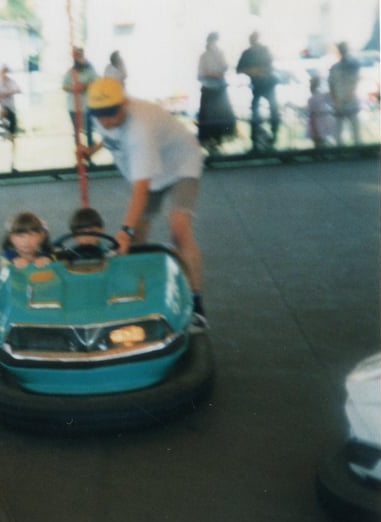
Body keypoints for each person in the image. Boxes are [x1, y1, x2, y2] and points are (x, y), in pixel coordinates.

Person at [78, 77, 207, 324]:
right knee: (136, 237)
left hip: (181, 163)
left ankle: (196, 302)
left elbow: (141, 188)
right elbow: (109, 135)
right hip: (149, 168)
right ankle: (133, 296)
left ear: (124, 104)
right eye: (100, 114)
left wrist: (124, 230)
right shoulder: (103, 113)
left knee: (178, 227)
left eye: (111, 113)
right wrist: (91, 151)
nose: (105, 119)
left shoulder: (140, 128)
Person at [236, 32, 280, 151]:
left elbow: (270, 65)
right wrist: (252, 71)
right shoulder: (247, 53)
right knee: (256, 111)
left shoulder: (264, 51)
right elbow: (239, 69)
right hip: (257, 85)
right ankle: (256, 140)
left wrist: (259, 70)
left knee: (273, 111)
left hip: (267, 83)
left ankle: (273, 137)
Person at [197, 32, 236, 153]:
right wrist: (211, 74)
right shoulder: (203, 56)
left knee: (220, 115)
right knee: (209, 116)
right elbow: (200, 74)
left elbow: (225, 67)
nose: (213, 44)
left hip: (219, 88)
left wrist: (220, 71)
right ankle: (209, 140)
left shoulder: (220, 53)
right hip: (208, 88)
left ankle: (218, 139)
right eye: (212, 41)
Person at [0, 65, 21, 163]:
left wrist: (6, 94)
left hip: (12, 109)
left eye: (5, 72)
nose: (4, 74)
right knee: (2, 111)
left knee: (13, 135)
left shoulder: (11, 82)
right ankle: (3, 128)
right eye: (2, 73)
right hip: (3, 108)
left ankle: (13, 158)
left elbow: (18, 90)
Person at [329, 42, 361, 146]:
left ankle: (346, 147)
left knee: (345, 128)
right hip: (345, 100)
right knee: (348, 128)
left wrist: (335, 100)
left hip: (343, 100)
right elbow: (332, 85)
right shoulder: (350, 65)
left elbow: (331, 85)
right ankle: (352, 147)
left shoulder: (336, 67)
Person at [307, 76, 335, 148]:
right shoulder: (313, 98)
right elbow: (312, 113)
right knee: (318, 139)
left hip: (322, 119)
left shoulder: (321, 95)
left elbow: (331, 94)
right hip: (318, 120)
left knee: (321, 139)